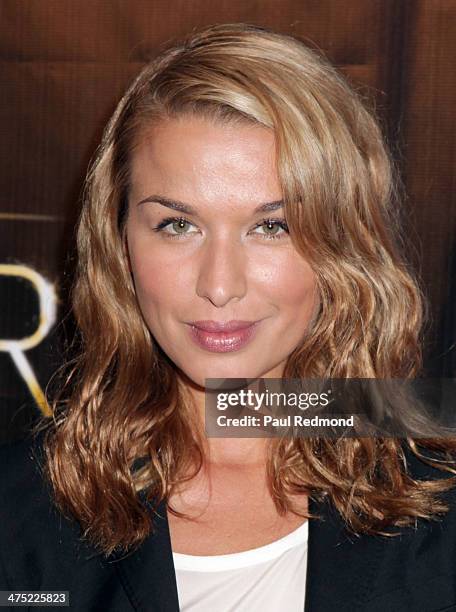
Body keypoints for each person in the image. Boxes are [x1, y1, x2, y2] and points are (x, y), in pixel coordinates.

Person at [1, 22, 456, 612]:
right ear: (120, 243)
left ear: (345, 239)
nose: (219, 285)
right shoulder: (16, 512)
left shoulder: (438, 488)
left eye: (272, 226)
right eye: (178, 225)